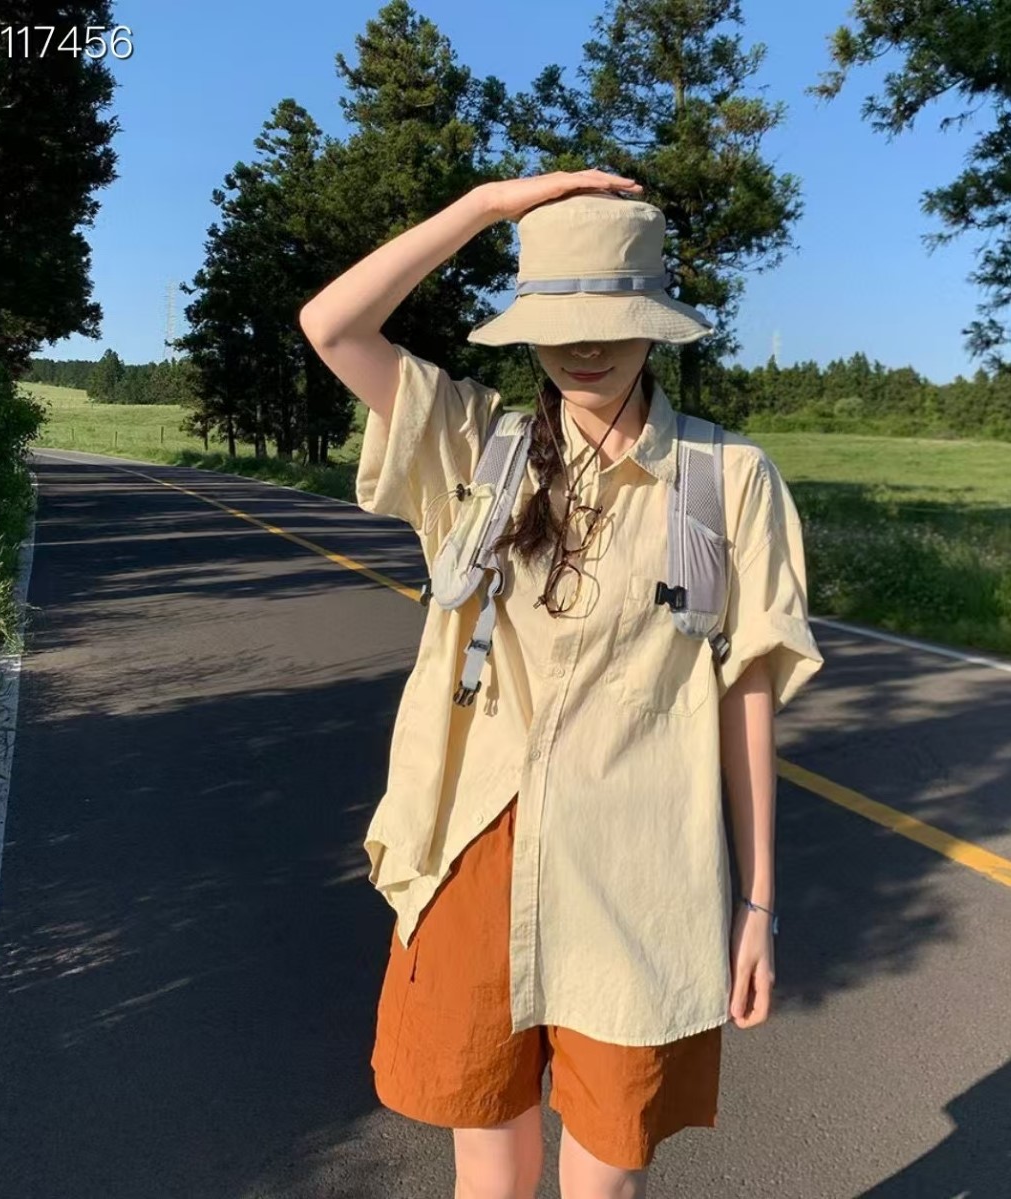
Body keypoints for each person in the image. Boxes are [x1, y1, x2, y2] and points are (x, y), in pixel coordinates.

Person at [300, 170, 825, 1199]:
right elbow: (333, 324)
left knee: (606, 1179)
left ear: (655, 321)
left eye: (612, 318)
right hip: (475, 849)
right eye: (559, 319)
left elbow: (746, 693)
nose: (587, 345)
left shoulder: (725, 479)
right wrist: (489, 205)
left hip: (644, 868)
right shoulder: (475, 447)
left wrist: (758, 900)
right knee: (489, 1178)